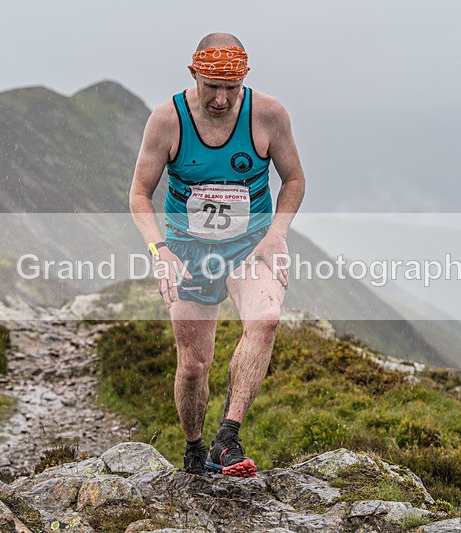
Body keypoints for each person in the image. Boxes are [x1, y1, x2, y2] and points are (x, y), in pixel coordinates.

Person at [129, 33, 305, 477]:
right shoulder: (167, 120)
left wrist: (277, 233)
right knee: (193, 366)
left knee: (266, 320)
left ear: (244, 79)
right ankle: (194, 452)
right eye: (212, 87)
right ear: (194, 75)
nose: (222, 99)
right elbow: (139, 194)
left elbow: (294, 180)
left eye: (232, 87)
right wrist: (159, 249)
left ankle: (227, 437)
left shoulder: (268, 115)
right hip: (188, 249)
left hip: (250, 244)